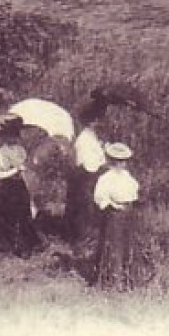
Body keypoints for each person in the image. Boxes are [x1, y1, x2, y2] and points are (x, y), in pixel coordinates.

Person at [0, 113, 41, 256]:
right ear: (4, 136)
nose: (14, 138)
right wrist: (15, 170)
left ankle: (26, 245)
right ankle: (9, 245)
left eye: (16, 134)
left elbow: (26, 170)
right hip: (7, 188)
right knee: (8, 217)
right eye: (10, 134)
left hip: (20, 186)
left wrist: (30, 186)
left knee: (24, 215)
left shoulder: (20, 150)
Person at [91, 143, 140, 288]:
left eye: (124, 161)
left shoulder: (127, 177)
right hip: (114, 214)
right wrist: (112, 204)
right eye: (118, 161)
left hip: (128, 212)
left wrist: (130, 204)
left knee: (128, 243)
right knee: (113, 245)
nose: (121, 164)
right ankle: (113, 280)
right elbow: (100, 196)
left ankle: (128, 278)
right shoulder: (106, 178)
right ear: (112, 161)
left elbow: (134, 191)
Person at [67, 92, 110, 243]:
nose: (100, 123)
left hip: (89, 175)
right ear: (92, 121)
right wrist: (104, 165)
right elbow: (90, 165)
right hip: (86, 177)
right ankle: (82, 239)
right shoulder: (85, 139)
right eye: (98, 120)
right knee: (85, 209)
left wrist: (103, 149)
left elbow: (96, 154)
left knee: (87, 209)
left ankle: (85, 236)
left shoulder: (91, 137)